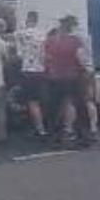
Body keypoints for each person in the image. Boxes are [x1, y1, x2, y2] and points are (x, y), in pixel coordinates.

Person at [44, 14, 85, 145]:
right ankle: (70, 131)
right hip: (71, 76)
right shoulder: (75, 41)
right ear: (71, 26)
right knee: (72, 103)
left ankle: (54, 133)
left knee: (55, 106)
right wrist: (84, 69)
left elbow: (45, 58)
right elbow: (81, 59)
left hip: (54, 77)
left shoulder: (50, 40)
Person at [13, 11, 49, 137]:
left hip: (28, 71)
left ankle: (40, 129)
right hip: (41, 70)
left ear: (28, 19)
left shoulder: (21, 34)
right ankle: (44, 125)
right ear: (36, 20)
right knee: (41, 100)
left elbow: (19, 55)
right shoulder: (43, 34)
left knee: (32, 102)